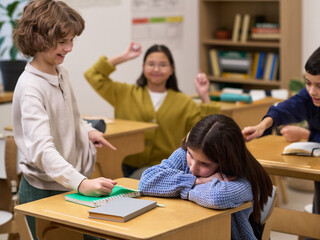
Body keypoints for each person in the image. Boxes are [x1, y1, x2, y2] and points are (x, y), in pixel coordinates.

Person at [12, 1, 117, 239]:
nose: (69, 48)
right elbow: (42, 150)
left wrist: (87, 131)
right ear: (37, 38)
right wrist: (81, 184)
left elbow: (72, 116)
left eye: (71, 40)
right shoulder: (31, 87)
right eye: (62, 42)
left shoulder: (61, 73)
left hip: (68, 183)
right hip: (44, 190)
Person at [242, 44, 320, 236]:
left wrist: (307, 135)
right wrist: (262, 126)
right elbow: (288, 107)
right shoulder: (313, 94)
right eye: (308, 83)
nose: (312, 91)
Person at [84, 43, 220, 178]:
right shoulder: (125, 93)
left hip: (163, 169)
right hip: (121, 164)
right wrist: (124, 56)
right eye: (151, 64)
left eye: (163, 65)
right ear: (143, 67)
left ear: (172, 69)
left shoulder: (184, 102)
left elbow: (208, 131)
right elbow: (93, 75)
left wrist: (204, 95)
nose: (156, 69)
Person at [138, 114, 273, 240]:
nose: (193, 167)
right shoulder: (184, 155)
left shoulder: (242, 179)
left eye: (205, 164)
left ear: (225, 162)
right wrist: (197, 181)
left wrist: (175, 186)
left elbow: (217, 197)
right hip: (186, 231)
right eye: (190, 155)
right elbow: (146, 181)